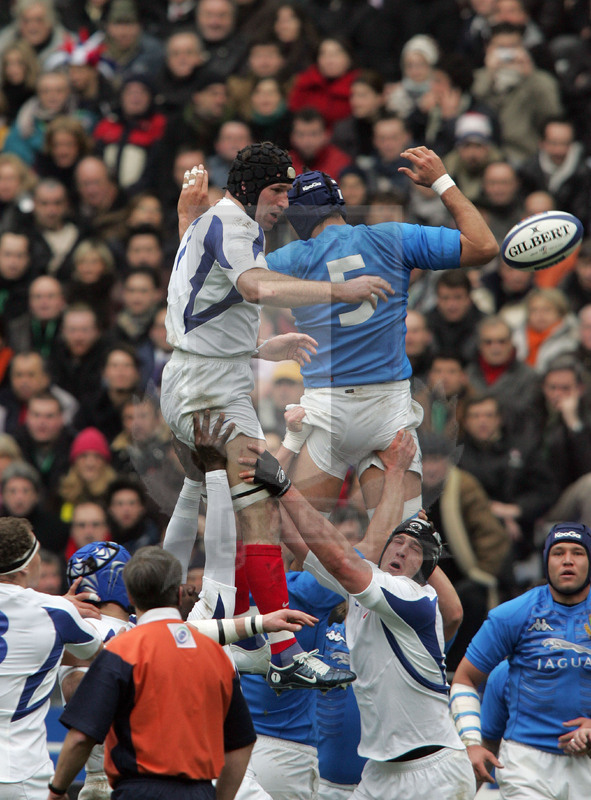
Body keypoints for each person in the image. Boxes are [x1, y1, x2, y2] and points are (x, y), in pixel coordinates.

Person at [163, 143, 391, 691]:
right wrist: (341, 289)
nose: (284, 203)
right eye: (276, 192)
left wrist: (266, 350)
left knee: (239, 502)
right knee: (254, 501)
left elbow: (205, 302)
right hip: (204, 389)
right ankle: (274, 645)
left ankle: (241, 631)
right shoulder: (233, 226)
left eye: (288, 192)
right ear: (246, 190)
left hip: (214, 377)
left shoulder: (216, 223)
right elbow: (254, 288)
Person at [237, 433, 476, 800]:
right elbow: (305, 544)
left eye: (414, 550)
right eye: (396, 542)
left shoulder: (413, 597)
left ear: (424, 571)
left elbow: (342, 559)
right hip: (379, 774)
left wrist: (285, 486)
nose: (401, 550)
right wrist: (261, 488)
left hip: (432, 771)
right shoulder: (364, 584)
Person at [270, 158, 496, 519]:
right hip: (387, 408)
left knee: (305, 545)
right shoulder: (393, 236)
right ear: (340, 205)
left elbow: (228, 288)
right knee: (405, 544)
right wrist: (441, 182)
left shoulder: (287, 258)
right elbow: (484, 246)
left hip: (327, 408)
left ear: (296, 220)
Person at [49, 544, 256, 800]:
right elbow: (243, 740)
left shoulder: (110, 642)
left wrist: (56, 790)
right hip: (193, 787)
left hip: (127, 784)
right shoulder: (95, 633)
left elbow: (81, 727)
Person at [451, 522, 591, 798]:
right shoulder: (513, 614)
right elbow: (464, 678)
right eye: (558, 552)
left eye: (578, 552)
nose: (567, 560)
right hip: (526, 766)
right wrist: (471, 742)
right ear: (545, 561)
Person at [0, 516, 102, 800]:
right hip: (23, 771)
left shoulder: (54, 608)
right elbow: (97, 656)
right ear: (26, 564)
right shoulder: (56, 611)